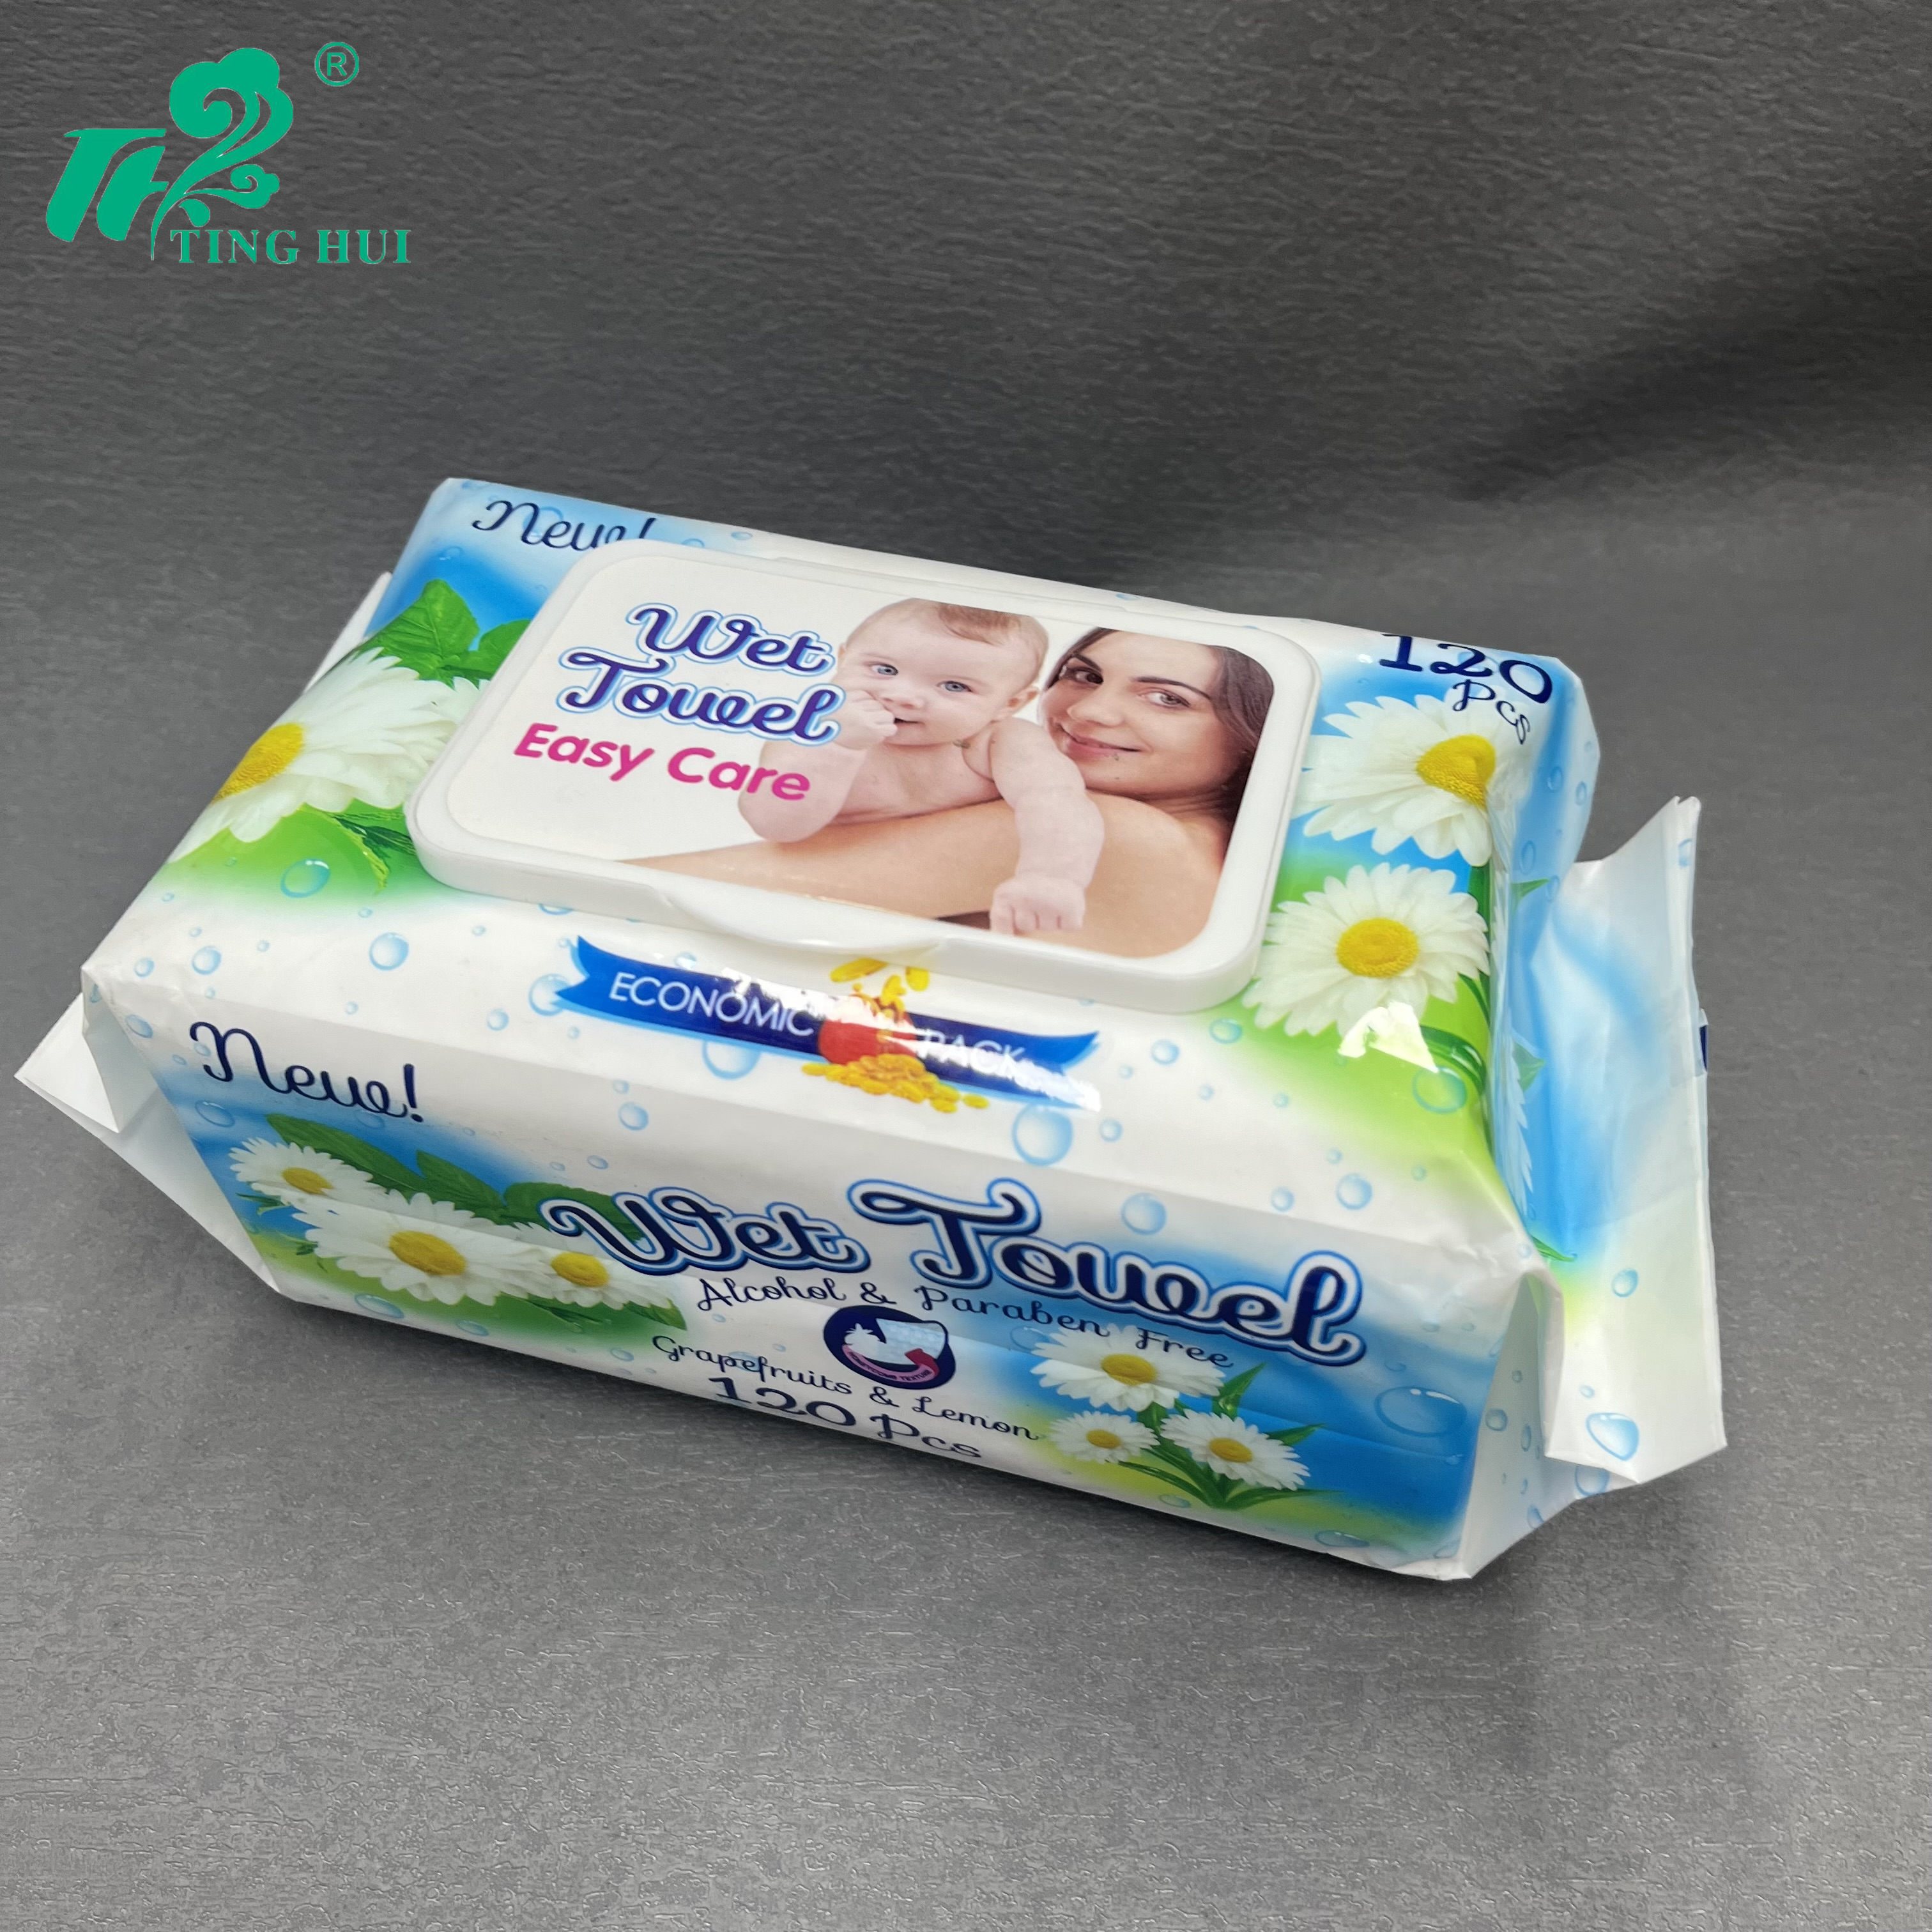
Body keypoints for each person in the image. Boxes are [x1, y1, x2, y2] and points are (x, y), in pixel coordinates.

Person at [644, 629, 1273, 958]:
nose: (1089, 712)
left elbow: (665, 889)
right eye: (1084, 675)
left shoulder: (1113, 834)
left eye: (1167, 698)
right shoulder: (1221, 859)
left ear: (1252, 735)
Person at [736, 599, 1103, 937]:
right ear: (843, 660)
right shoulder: (812, 733)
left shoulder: (1001, 741)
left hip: (968, 909)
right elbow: (775, 826)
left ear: (1009, 703)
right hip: (826, 898)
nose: (902, 696)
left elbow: (1057, 801)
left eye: (954, 686)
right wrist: (837, 747)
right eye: (884, 669)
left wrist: (1051, 876)